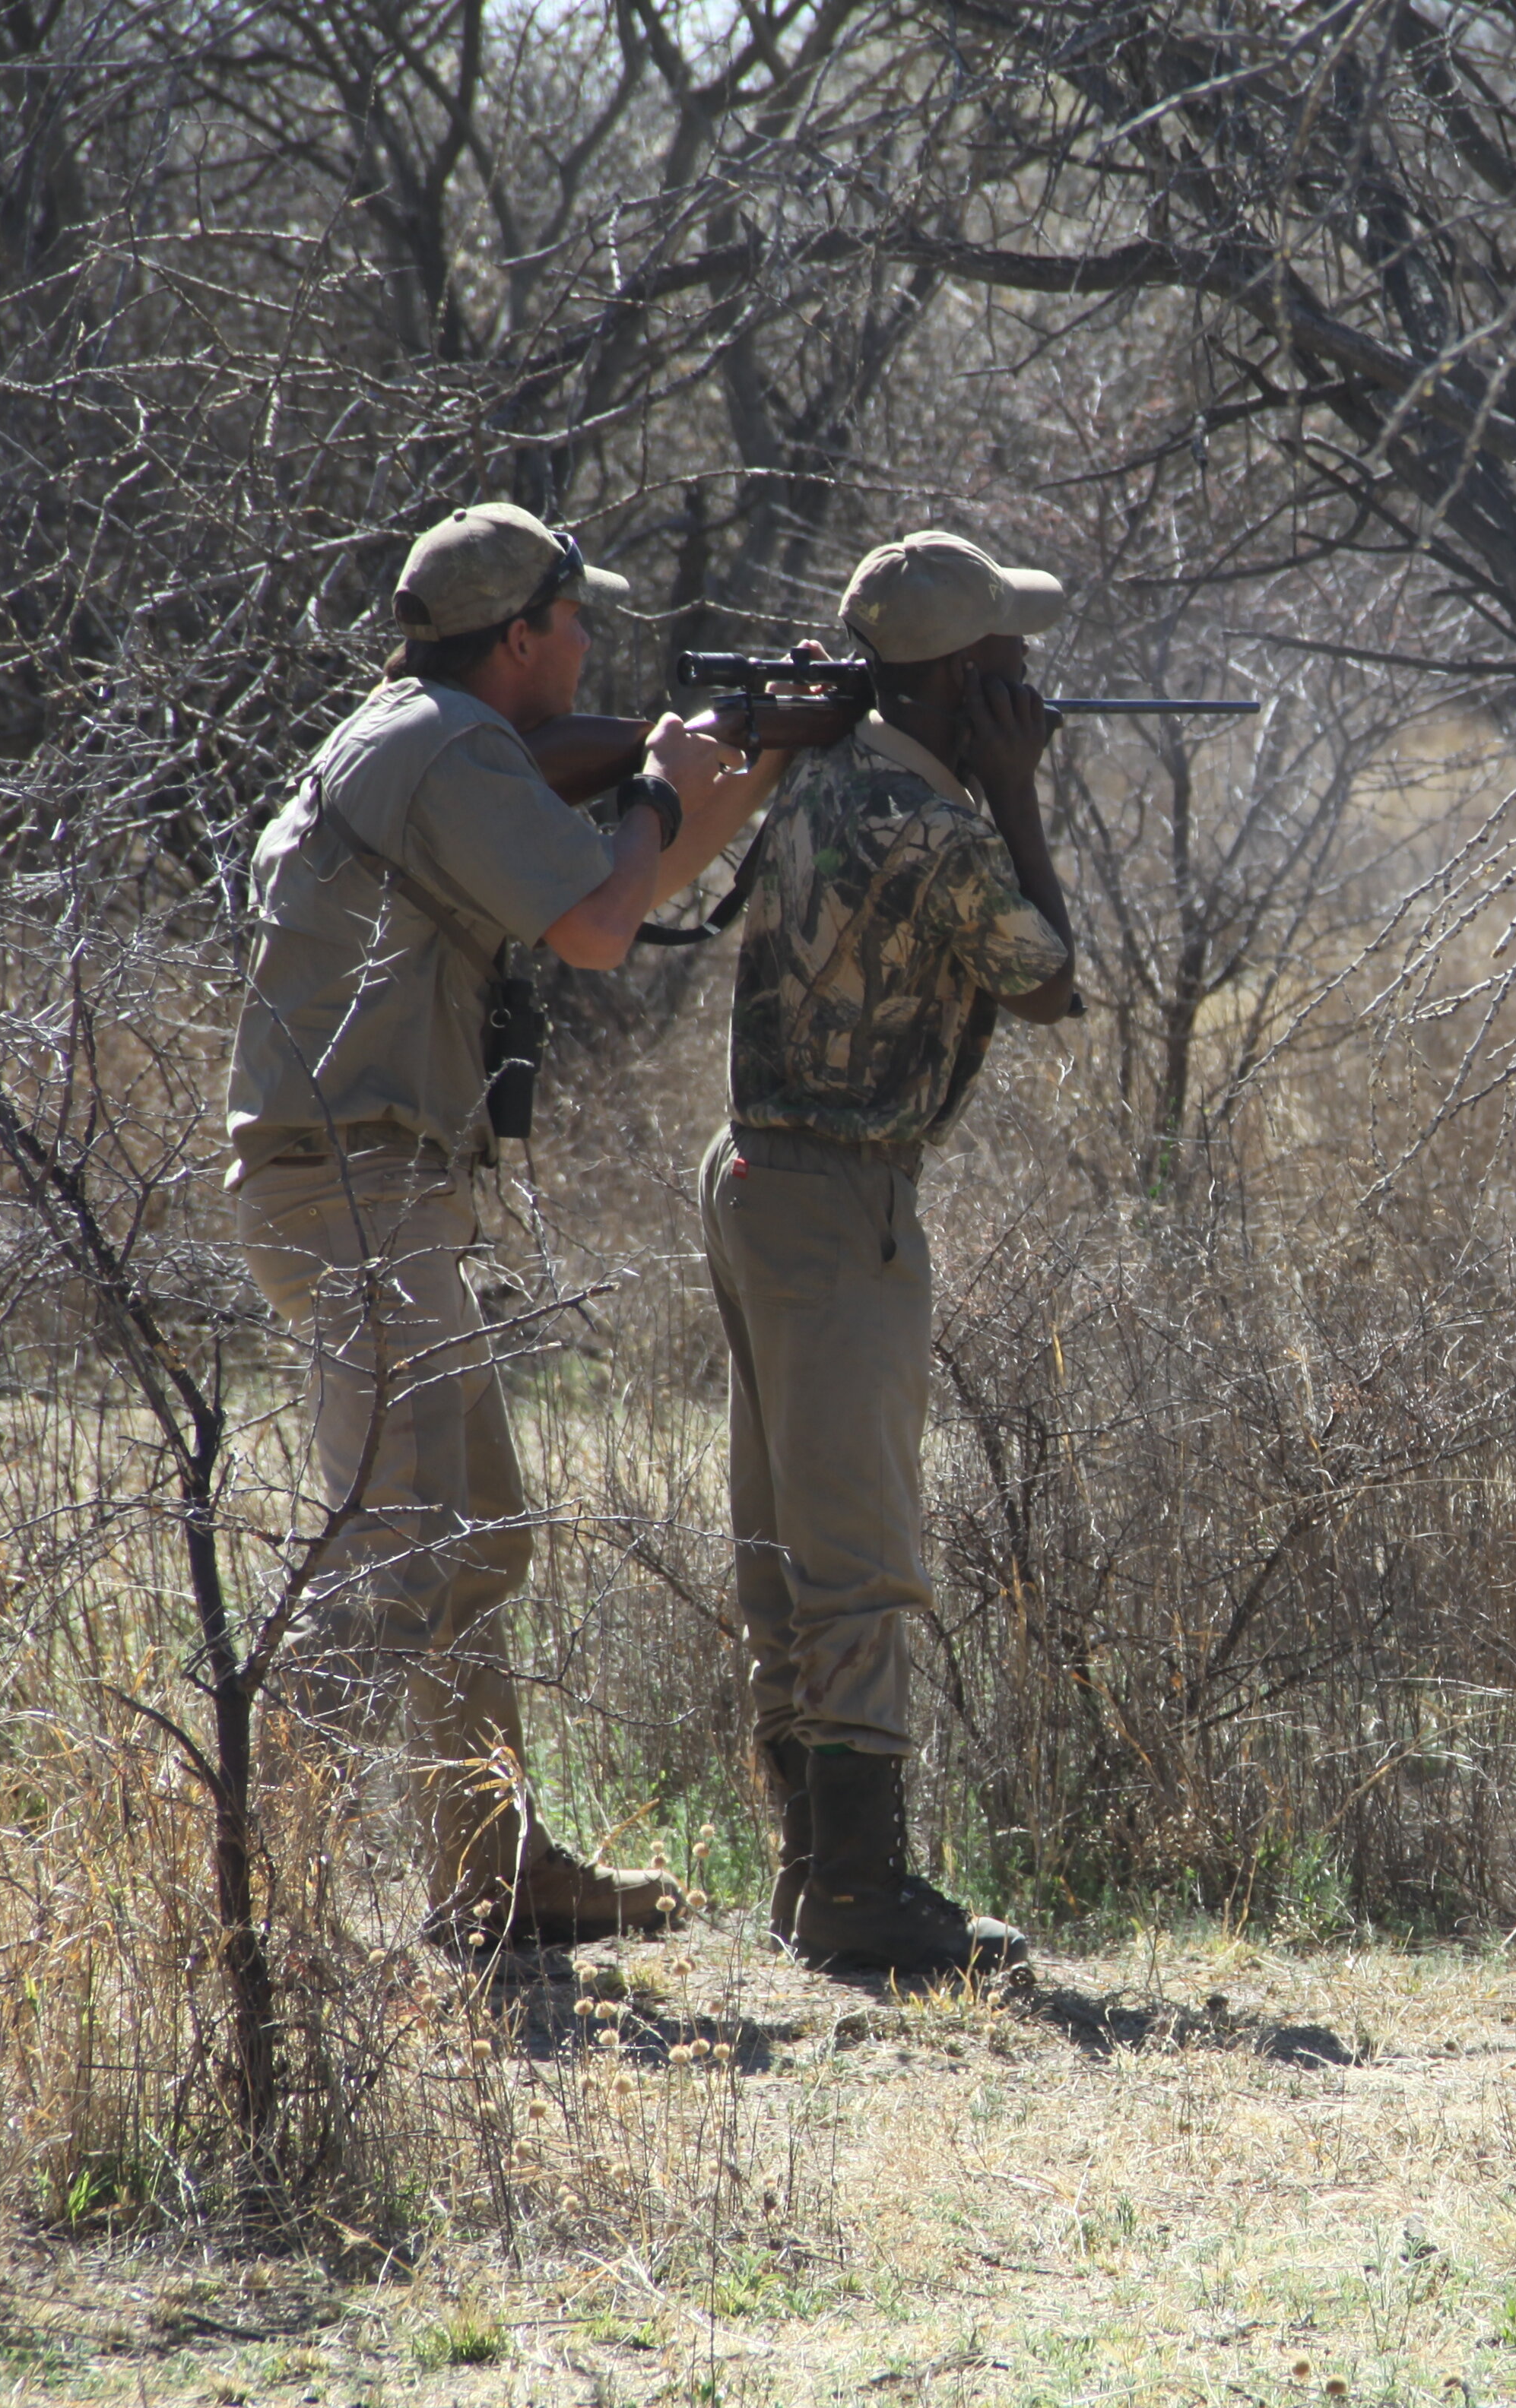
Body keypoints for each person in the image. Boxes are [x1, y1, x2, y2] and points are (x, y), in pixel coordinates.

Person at [228, 500, 783, 1948]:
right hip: (358, 1190)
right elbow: (603, 929)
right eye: (576, 620)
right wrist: (659, 783)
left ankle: (493, 1878)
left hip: (362, 1189)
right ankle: (236, 1905)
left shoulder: (408, 740)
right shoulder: (458, 751)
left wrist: (741, 771)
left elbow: (621, 888)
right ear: (522, 638)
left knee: (471, 1544)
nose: (593, 641)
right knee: (399, 1557)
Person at [700, 528, 1080, 1976]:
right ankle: (858, 1891)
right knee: (857, 1560)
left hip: (754, 1182)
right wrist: (1020, 796)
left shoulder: (832, 768)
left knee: (784, 1555)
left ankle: (818, 1873)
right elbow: (1047, 980)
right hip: (838, 1200)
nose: (1032, 677)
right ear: (968, 681)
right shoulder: (938, 825)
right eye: (1010, 660)